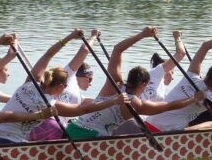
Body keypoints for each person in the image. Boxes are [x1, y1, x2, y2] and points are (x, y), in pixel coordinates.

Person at [0, 30, 123, 144]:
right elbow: (83, 109)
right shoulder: (51, 106)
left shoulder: (30, 82)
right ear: (60, 86)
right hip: (8, 142)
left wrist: (69, 37)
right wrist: (114, 101)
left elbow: (48, 54)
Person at [65, 28, 204, 140]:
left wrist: (142, 34)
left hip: (72, 127)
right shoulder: (136, 104)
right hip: (90, 137)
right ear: (144, 84)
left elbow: (117, 49)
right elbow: (169, 106)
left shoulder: (113, 83)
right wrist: (193, 99)